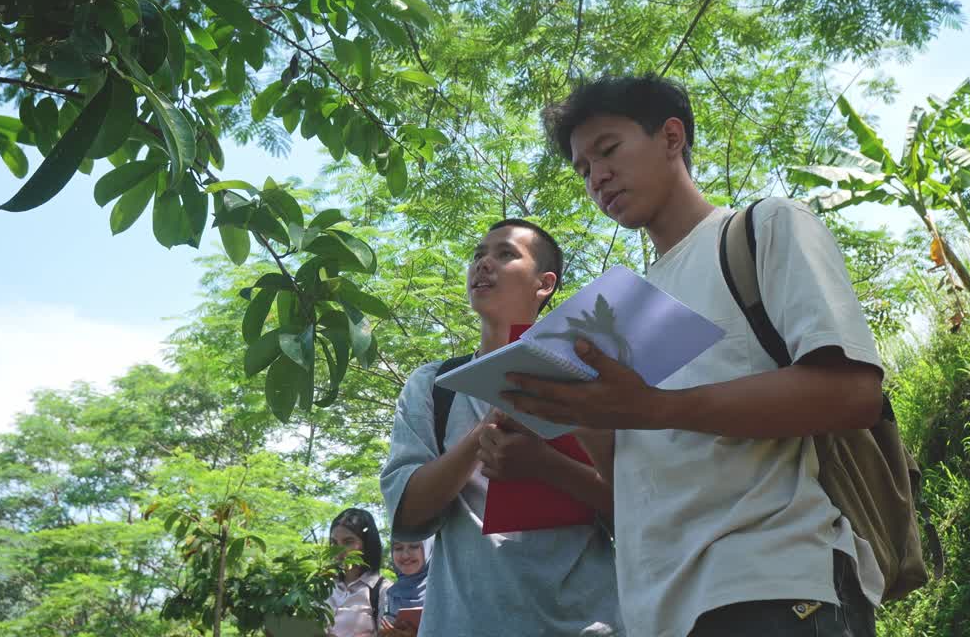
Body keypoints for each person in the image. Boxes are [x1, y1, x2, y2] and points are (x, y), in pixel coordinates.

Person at [504, 75, 886, 637]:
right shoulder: (623, 308)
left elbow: (852, 393)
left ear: (671, 137)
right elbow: (639, 485)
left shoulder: (763, 229)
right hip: (656, 614)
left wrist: (654, 408)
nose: (597, 177)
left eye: (607, 151)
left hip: (768, 588)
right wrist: (583, 412)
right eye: (583, 170)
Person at [379, 219, 624, 637]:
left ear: (544, 284)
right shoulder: (433, 386)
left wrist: (547, 465)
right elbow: (407, 515)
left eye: (505, 254)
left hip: (589, 624)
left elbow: (632, 511)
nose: (484, 264)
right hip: (461, 624)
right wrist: (485, 432)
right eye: (478, 255)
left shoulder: (593, 382)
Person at [326, 508, 392, 637]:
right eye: (334, 543)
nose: (339, 551)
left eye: (348, 542)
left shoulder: (384, 590)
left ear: (367, 544)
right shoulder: (324, 586)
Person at [378, 539, 430, 637]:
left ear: (428, 548)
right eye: (398, 548)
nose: (405, 555)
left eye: (414, 546)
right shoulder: (390, 594)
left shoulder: (443, 591)